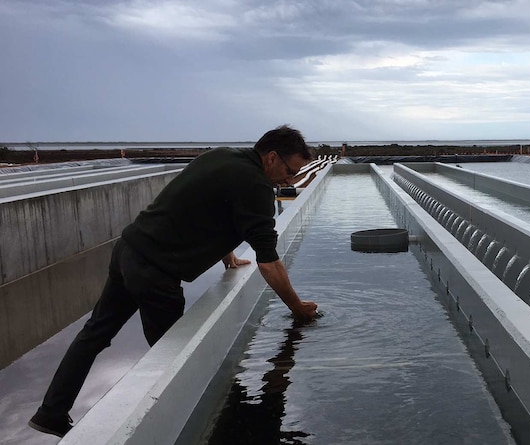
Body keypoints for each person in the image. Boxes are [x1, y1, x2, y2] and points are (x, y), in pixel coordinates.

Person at [28, 125, 319, 438]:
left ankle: (50, 412)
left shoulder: (223, 157)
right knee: (187, 364)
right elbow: (269, 261)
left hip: (128, 250)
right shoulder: (257, 185)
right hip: (155, 272)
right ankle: (208, 426)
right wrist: (297, 308)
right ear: (272, 157)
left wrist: (227, 254)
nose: (290, 180)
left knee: (94, 334)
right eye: (291, 171)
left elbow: (202, 208)